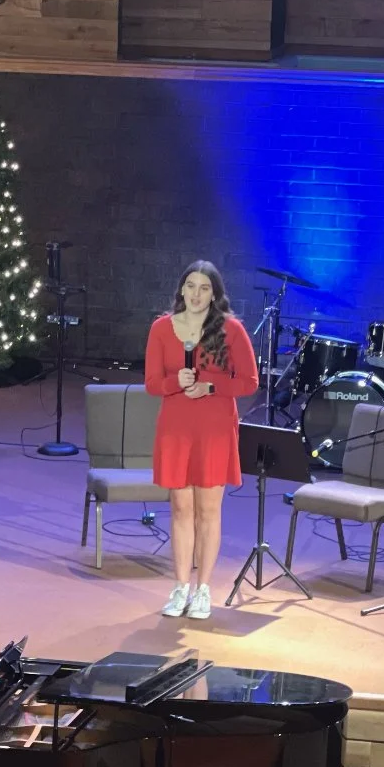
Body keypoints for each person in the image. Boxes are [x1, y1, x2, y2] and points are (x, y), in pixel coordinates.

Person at [145, 260, 258, 619]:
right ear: (181, 290)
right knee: (180, 509)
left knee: (208, 511)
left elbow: (249, 382)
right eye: (190, 286)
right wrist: (173, 383)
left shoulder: (232, 330)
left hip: (214, 428)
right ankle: (180, 587)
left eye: (204, 288)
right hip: (176, 427)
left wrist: (212, 386)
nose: (196, 294)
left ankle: (203, 589)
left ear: (215, 294)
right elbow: (151, 384)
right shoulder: (162, 329)